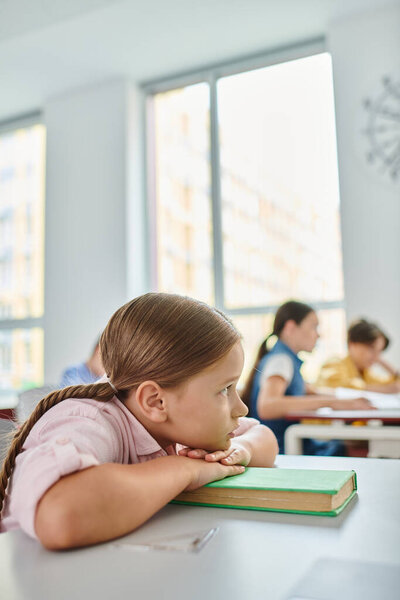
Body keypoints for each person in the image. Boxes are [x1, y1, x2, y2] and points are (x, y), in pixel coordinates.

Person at [0, 293, 278, 550]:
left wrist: (240, 452)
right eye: (224, 390)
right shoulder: (88, 420)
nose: (240, 408)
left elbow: (265, 438)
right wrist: (185, 469)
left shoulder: (178, 423)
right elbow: (60, 516)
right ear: (156, 402)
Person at [241, 301, 372, 455]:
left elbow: (310, 390)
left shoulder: (286, 359)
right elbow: (267, 406)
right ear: (290, 328)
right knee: (348, 448)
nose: (318, 334)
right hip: (281, 448)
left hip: (286, 443)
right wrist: (333, 402)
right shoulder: (281, 361)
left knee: (345, 445)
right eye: (313, 327)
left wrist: (348, 400)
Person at [317, 319, 400, 393]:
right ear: (352, 344)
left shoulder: (366, 373)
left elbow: (394, 384)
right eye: (371, 348)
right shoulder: (333, 364)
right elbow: (342, 387)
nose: (376, 356)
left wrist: (382, 362)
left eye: (379, 351)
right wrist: (383, 389)